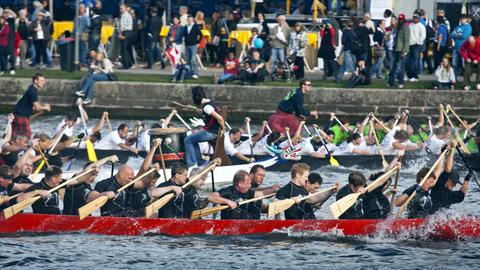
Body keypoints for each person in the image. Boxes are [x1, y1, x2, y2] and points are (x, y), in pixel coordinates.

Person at [207, 170, 276, 219]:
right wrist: (228, 201)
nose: (250, 186)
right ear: (240, 184)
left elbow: (262, 194)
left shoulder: (249, 192)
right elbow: (211, 197)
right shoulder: (228, 191)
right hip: (229, 228)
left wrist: (277, 190)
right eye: (248, 184)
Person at [184, 86, 224, 167]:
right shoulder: (210, 102)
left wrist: (223, 129)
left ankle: (192, 164)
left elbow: (220, 118)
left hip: (211, 132)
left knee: (187, 140)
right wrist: (193, 108)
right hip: (213, 131)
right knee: (192, 140)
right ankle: (200, 162)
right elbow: (205, 112)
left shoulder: (207, 107)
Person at [430, 144, 470, 213]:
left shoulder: (450, 195)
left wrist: (467, 179)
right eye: (454, 183)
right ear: (448, 180)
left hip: (438, 219)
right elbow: (447, 169)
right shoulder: (438, 186)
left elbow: (461, 195)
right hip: (429, 218)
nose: (454, 186)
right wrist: (452, 150)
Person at [12, 73, 51, 139]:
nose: (43, 82)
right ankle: (23, 148)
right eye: (42, 81)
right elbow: (37, 107)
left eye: (44, 81)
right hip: (21, 117)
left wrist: (41, 109)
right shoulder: (32, 91)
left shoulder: (31, 89)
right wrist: (46, 107)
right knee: (27, 135)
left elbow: (32, 106)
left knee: (14, 135)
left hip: (17, 115)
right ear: (35, 81)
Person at [388, 13, 410, 89]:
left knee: (401, 67)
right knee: (392, 66)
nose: (400, 21)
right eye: (399, 19)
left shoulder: (405, 28)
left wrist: (405, 51)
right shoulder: (397, 27)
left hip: (401, 50)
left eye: (401, 19)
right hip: (395, 49)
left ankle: (400, 82)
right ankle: (390, 82)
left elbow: (406, 40)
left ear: (404, 20)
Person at [269, 14, 290, 80]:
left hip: (282, 47)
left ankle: (283, 75)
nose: (281, 21)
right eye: (279, 20)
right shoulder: (274, 28)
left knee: (282, 61)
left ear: (284, 20)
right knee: (272, 61)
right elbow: (269, 37)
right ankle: (271, 75)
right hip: (274, 47)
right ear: (277, 20)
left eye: (282, 20)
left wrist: (284, 40)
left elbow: (289, 38)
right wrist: (271, 37)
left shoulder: (287, 28)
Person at [406, 13, 426, 82]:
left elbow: (423, 36)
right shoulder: (410, 25)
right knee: (408, 61)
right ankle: (409, 75)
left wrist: (418, 42)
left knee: (416, 61)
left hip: (416, 45)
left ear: (419, 19)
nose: (414, 19)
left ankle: (415, 76)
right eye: (414, 17)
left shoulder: (421, 26)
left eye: (416, 18)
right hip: (409, 44)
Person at [183, 15, 202, 79]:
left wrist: (198, 43)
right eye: (188, 19)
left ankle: (196, 73)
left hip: (193, 45)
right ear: (187, 20)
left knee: (193, 60)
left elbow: (201, 35)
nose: (189, 21)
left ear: (193, 20)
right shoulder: (185, 27)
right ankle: (189, 73)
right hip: (187, 45)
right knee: (188, 60)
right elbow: (184, 35)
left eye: (191, 19)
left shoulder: (196, 27)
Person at [118, 4, 133, 70]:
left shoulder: (125, 15)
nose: (120, 10)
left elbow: (123, 26)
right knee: (125, 49)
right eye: (120, 8)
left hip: (125, 32)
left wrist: (120, 34)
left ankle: (126, 64)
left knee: (123, 50)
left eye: (122, 8)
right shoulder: (127, 15)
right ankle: (129, 63)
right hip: (128, 32)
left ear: (125, 8)